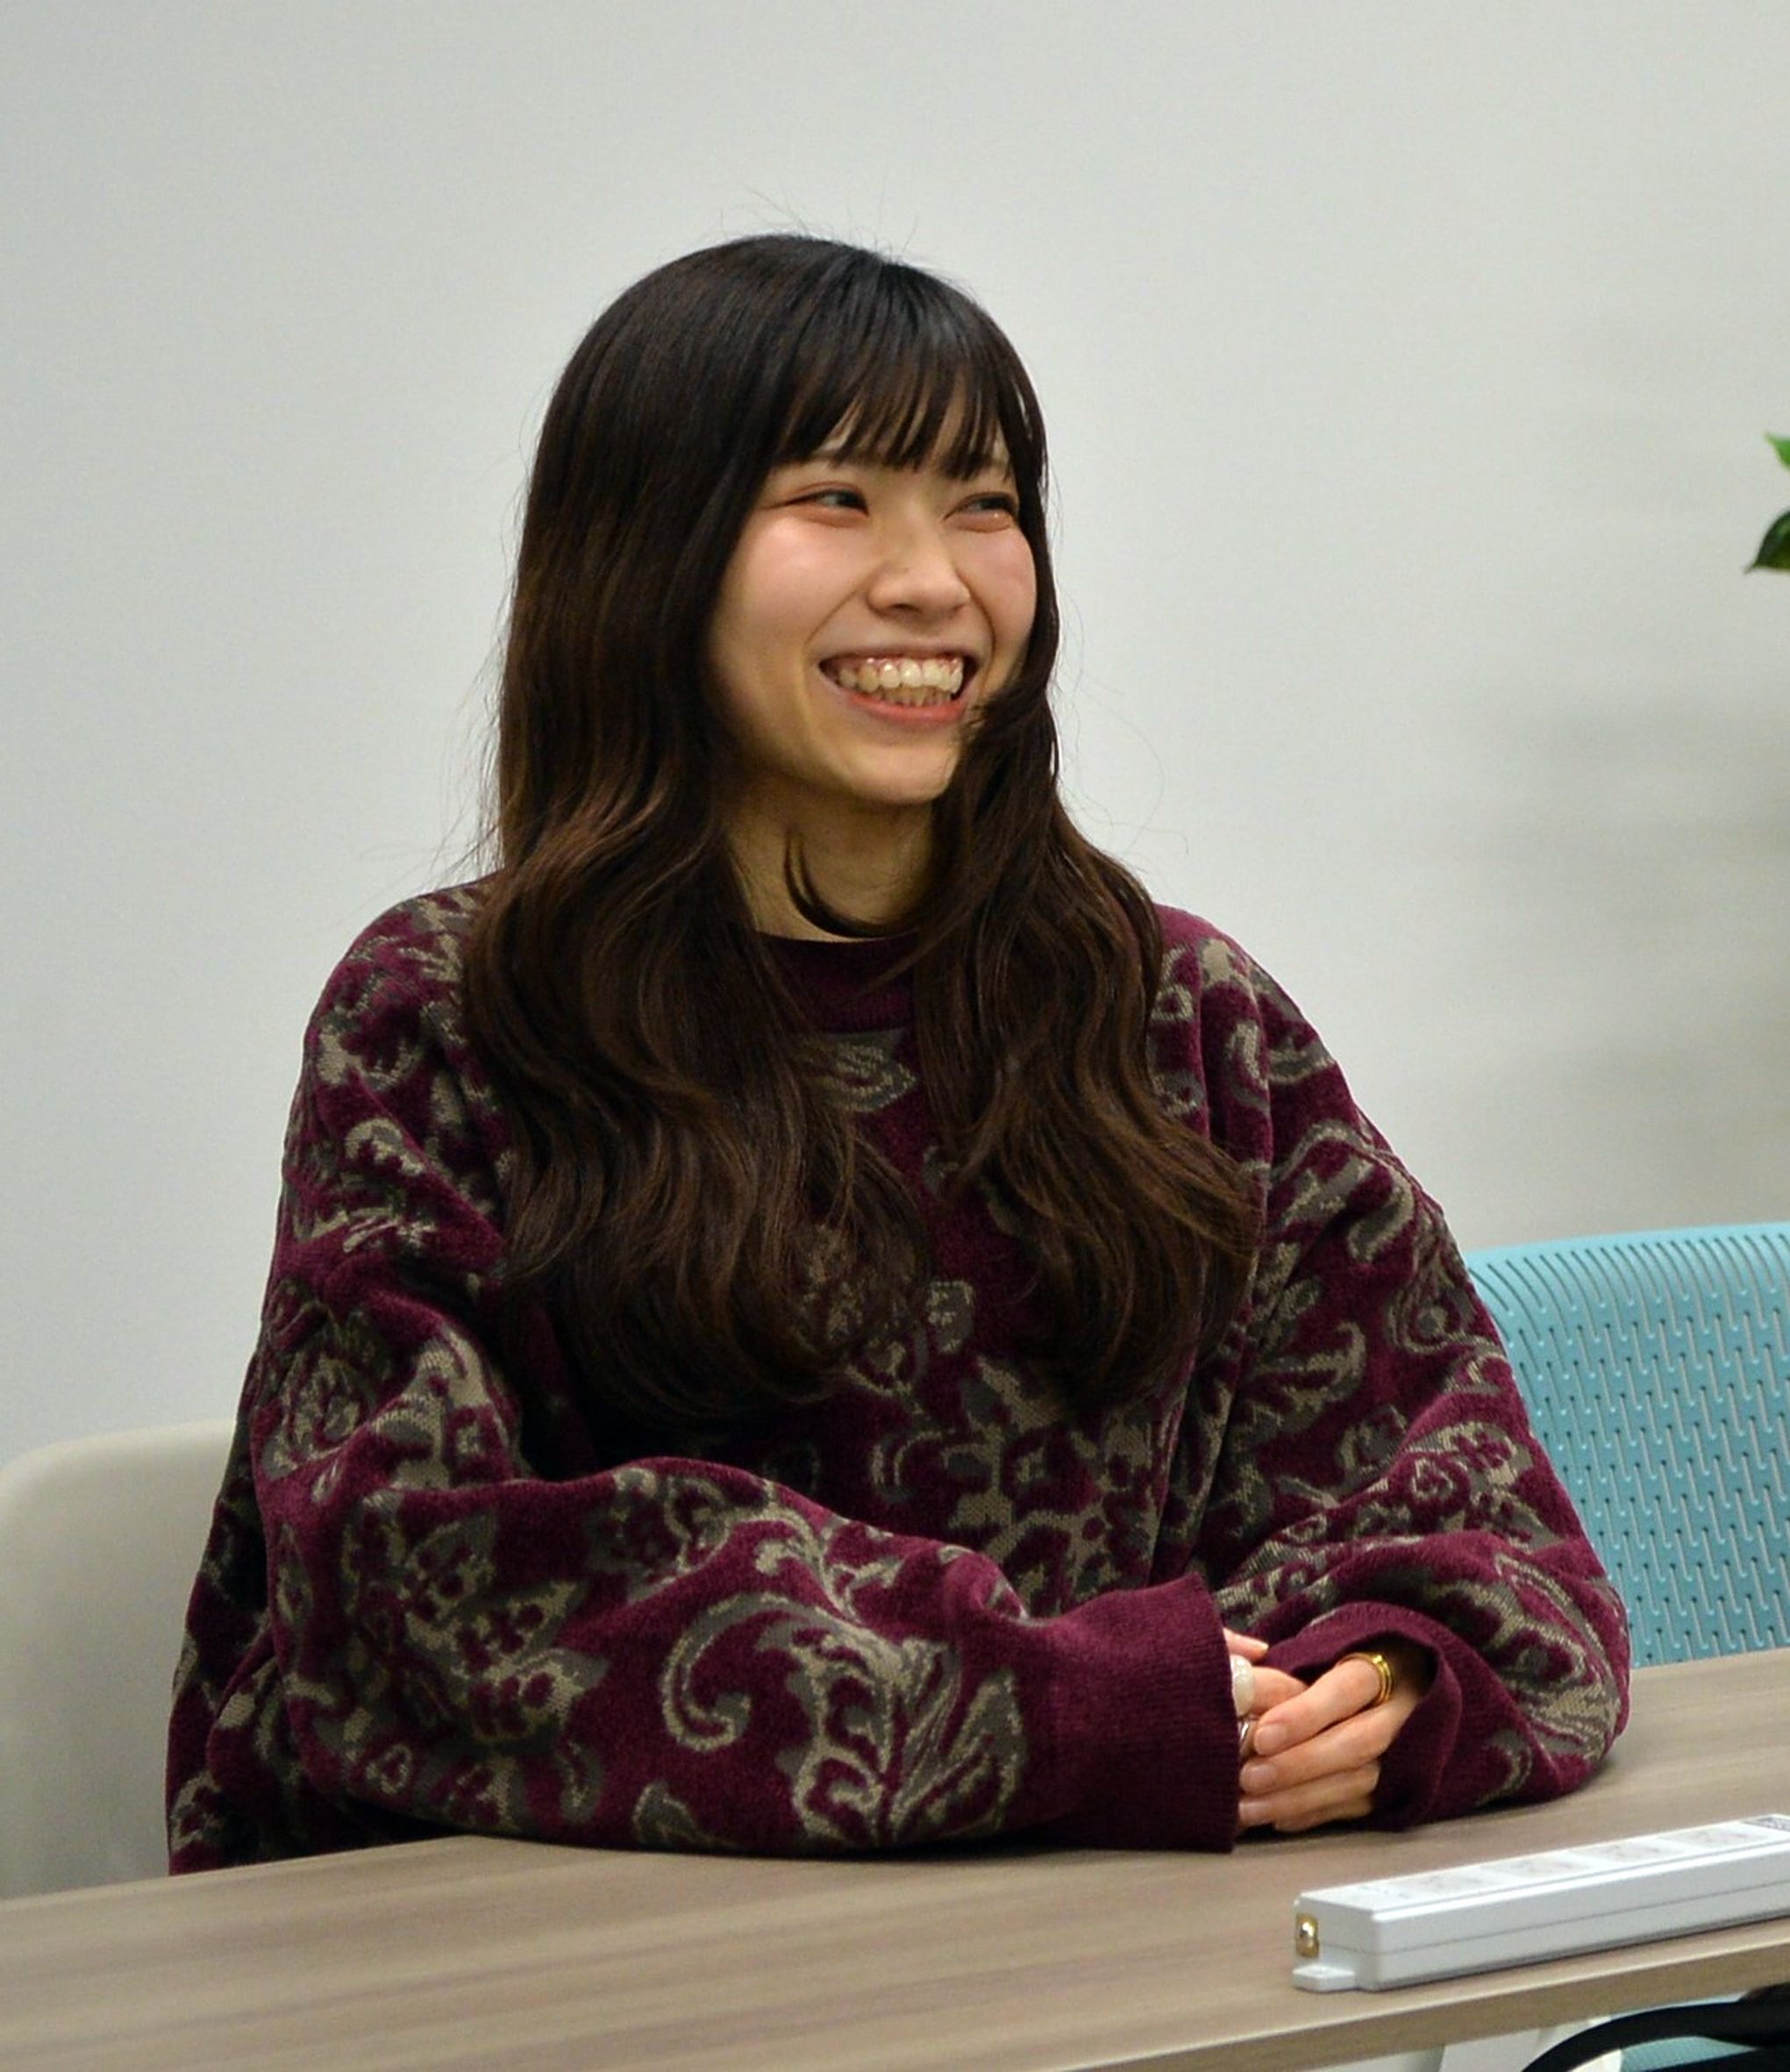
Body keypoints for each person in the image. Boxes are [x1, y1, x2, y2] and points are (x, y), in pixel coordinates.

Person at [167, 234, 1628, 1872]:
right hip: (565, 1947)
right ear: (647, 555)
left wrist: (1379, 1676)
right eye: (837, 498)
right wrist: (1071, 1708)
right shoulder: (450, 1014)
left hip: (1094, 1936)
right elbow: (407, 1581)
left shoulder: (1175, 1012)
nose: (932, 582)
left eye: (983, 505)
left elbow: (1470, 1498)